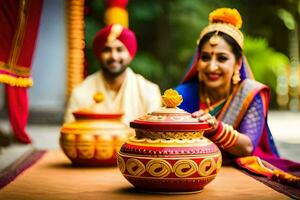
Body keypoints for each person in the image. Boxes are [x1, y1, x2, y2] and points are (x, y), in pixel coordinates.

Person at [176, 8, 300, 185]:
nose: (212, 67)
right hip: (190, 173)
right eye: (205, 57)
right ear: (197, 62)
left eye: (222, 58)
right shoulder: (183, 94)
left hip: (240, 177)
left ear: (238, 63)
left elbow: (247, 147)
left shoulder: (250, 93)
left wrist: (216, 129)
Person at [64, 24, 161, 125]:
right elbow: (69, 134)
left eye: (120, 50)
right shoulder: (81, 92)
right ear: (99, 55)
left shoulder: (149, 92)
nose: (114, 56)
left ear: (130, 55)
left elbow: (154, 136)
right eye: (107, 50)